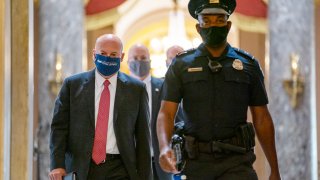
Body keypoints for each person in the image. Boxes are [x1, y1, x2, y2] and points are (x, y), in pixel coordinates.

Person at [157, 0, 281, 179]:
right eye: (206, 21)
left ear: (228, 25)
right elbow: (166, 113)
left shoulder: (248, 65)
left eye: (219, 19)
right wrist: (164, 147)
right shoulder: (181, 65)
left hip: (237, 163)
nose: (213, 25)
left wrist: (274, 169)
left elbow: (262, 118)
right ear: (198, 27)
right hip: (195, 164)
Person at [49, 34, 152, 180]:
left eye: (113, 54)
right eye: (102, 53)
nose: (107, 58)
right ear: (94, 54)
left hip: (120, 168)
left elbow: (143, 138)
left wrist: (145, 176)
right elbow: (59, 128)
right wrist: (57, 164)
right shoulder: (72, 85)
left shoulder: (136, 90)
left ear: (121, 57)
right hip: (81, 167)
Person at [127, 43, 172, 180]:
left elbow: (176, 119)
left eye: (143, 58)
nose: (139, 61)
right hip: (130, 163)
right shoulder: (118, 88)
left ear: (150, 61)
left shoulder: (165, 86)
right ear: (127, 62)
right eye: (135, 58)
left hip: (159, 162)